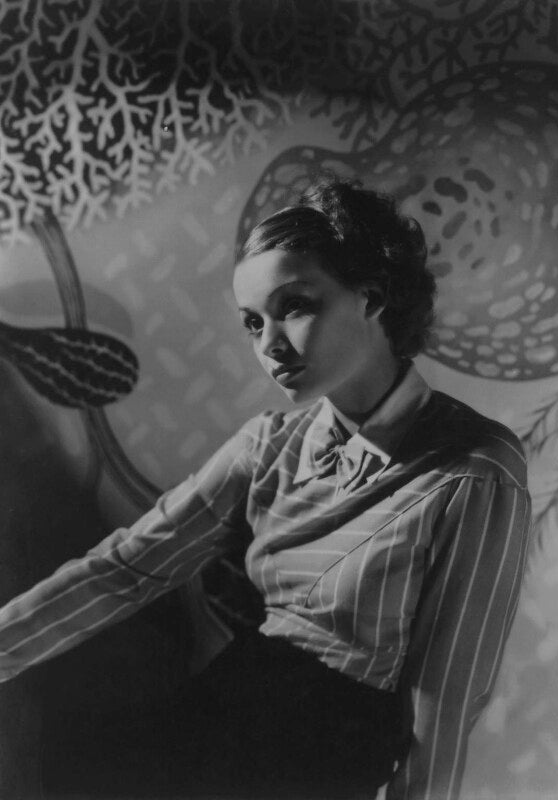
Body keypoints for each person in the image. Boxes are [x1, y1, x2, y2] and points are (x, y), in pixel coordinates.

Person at [0, 178, 531, 799]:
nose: (270, 346)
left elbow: (445, 701)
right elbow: (124, 570)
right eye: (253, 323)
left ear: (372, 297)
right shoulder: (269, 446)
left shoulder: (474, 467)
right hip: (222, 722)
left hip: (323, 758)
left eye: (295, 306)